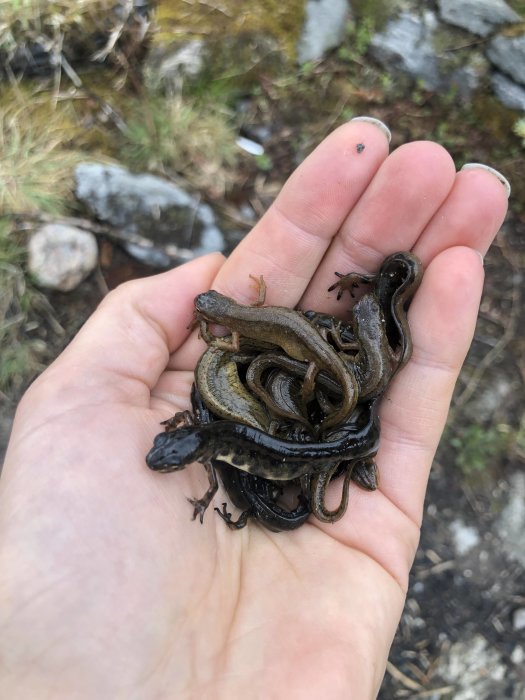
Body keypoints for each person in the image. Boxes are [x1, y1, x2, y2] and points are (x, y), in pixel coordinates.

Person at [0, 118, 510, 699]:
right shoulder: (217, 433)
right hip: (325, 437)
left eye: (175, 457)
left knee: (335, 430)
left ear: (201, 440)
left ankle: (341, 426)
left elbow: (227, 455)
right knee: (324, 435)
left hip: (335, 434)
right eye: (173, 458)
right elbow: (225, 452)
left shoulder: (222, 438)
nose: (169, 459)